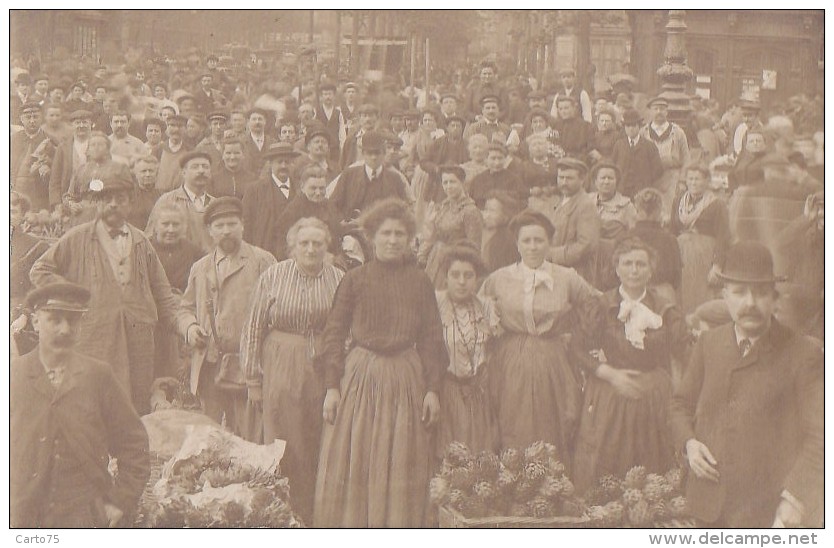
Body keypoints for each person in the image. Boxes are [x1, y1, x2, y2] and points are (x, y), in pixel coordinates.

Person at [670, 241, 823, 527]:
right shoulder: (709, 343)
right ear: (724, 296)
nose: (750, 302)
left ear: (774, 299)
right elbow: (680, 405)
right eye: (739, 293)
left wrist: (795, 499)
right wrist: (689, 443)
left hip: (768, 513)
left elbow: (823, 435)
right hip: (708, 507)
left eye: (761, 293)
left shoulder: (804, 353)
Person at [314, 199, 447, 527]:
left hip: (406, 377)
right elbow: (333, 334)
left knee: (401, 458)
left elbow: (432, 337)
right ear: (371, 238)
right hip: (361, 377)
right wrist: (332, 386)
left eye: (400, 234)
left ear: (409, 238)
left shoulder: (419, 281)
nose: (392, 240)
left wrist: (432, 390)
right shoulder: (355, 279)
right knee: (356, 456)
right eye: (386, 233)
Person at [30, 172, 179, 415]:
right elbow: (40, 270)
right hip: (94, 336)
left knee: (136, 404)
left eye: (120, 199)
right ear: (96, 203)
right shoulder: (76, 238)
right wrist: (71, 296)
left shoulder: (142, 242)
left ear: (130, 203)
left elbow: (163, 293)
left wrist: (181, 326)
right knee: (92, 399)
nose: (112, 205)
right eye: (105, 199)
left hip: (138, 339)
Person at [10, 282, 150, 528]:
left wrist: (119, 501)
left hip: (82, 516)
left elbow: (133, 444)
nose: (65, 329)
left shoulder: (98, 376)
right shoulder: (13, 375)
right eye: (55, 319)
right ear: (34, 322)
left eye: (73, 320)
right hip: (21, 515)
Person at [240, 217, 344, 525]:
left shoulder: (339, 278)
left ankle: (317, 514)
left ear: (327, 247)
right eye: (305, 244)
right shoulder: (274, 276)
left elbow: (347, 328)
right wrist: (252, 378)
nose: (311, 249)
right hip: (282, 361)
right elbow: (254, 326)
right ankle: (282, 513)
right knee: (284, 438)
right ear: (293, 247)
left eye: (318, 244)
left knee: (319, 436)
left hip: (324, 364)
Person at [480, 209, 598, 467]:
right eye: (526, 241)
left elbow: (595, 305)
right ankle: (513, 477)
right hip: (511, 359)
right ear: (517, 244)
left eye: (539, 240)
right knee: (512, 418)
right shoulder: (499, 279)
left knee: (555, 419)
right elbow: (480, 314)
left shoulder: (566, 277)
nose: (533, 247)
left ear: (549, 243)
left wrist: (577, 337)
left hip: (552, 358)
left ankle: (550, 482)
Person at [573, 238, 689, 494]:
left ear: (651, 270)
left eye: (640, 264)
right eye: (627, 264)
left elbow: (685, 350)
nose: (634, 270)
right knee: (608, 467)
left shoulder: (665, 308)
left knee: (651, 475)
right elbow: (577, 350)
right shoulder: (600, 305)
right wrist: (610, 374)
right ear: (616, 268)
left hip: (652, 395)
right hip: (609, 394)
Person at [178, 197, 275, 438]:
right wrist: (190, 328)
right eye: (219, 226)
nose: (226, 231)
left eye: (231, 224)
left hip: (248, 364)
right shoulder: (200, 267)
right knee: (209, 435)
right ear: (210, 231)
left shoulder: (263, 261)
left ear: (242, 225)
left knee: (248, 432)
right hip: (210, 363)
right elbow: (184, 308)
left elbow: (277, 309)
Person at [434, 243, 500, 458]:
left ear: (477, 278)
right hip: (446, 391)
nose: (462, 281)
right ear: (446, 277)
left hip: (478, 394)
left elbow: (495, 349)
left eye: (468, 275)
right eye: (455, 275)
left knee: (479, 456)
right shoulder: (435, 303)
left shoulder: (487, 306)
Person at [670, 163, 731, 314]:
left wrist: (717, 266)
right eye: (690, 179)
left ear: (707, 181)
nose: (693, 183)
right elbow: (672, 230)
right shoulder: (678, 201)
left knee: (701, 294)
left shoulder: (716, 204)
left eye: (697, 179)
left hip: (704, 256)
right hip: (681, 254)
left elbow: (723, 236)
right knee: (680, 294)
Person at [417, 165, 483, 287]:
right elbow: (434, 235)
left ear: (462, 183)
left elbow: (474, 248)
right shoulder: (444, 206)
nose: (448, 187)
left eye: (452, 182)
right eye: (445, 182)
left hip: (456, 265)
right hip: (436, 259)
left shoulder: (470, 211)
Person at [329, 131, 410, 222]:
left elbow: (404, 210)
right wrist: (343, 222)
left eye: (377, 153)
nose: (373, 157)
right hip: (353, 231)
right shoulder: (349, 175)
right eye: (369, 153)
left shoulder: (395, 179)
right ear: (363, 154)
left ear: (383, 153)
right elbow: (333, 205)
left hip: (383, 232)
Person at [148, 150, 216, 253]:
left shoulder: (215, 205)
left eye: (205, 167)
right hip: (178, 263)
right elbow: (150, 237)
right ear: (184, 173)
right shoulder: (167, 201)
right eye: (195, 167)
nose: (201, 171)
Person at [548, 157, 601, 285]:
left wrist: (552, 255)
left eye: (569, 178)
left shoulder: (585, 205)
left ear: (582, 180)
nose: (564, 182)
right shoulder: (559, 201)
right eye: (561, 177)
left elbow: (586, 245)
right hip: (557, 271)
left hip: (578, 275)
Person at [624, 188, 682, 304]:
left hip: (632, 292)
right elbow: (676, 277)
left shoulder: (626, 238)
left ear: (637, 210)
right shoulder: (670, 240)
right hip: (662, 295)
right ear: (658, 211)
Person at [242, 141, 300, 255]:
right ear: (270, 164)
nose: (283, 166)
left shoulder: (300, 189)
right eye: (279, 162)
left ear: (292, 163)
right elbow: (246, 225)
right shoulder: (255, 190)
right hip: (265, 251)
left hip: (296, 252)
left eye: (287, 162)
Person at [273, 165, 342, 261]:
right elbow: (281, 244)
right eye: (313, 188)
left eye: (321, 188)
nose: (318, 193)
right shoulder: (293, 210)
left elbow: (337, 234)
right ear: (302, 187)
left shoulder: (329, 206)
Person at [640, 97, 690, 223]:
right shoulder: (643, 132)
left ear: (667, 112)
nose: (659, 112)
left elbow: (686, 159)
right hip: (649, 178)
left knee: (670, 213)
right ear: (650, 112)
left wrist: (683, 181)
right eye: (655, 109)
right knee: (650, 212)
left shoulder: (678, 133)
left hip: (672, 178)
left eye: (662, 109)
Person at [589, 162, 637, 290]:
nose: (606, 182)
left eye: (610, 178)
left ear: (617, 182)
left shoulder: (626, 206)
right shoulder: (586, 202)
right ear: (595, 181)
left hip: (611, 261)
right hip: (588, 260)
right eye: (602, 178)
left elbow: (633, 236)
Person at [610, 108, 664, 199]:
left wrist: (646, 181)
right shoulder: (619, 145)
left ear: (639, 126)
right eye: (628, 126)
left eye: (634, 125)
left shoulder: (649, 146)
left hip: (642, 191)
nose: (631, 129)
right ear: (624, 128)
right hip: (622, 190)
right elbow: (613, 166)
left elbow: (658, 169)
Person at [49, 109, 93, 209]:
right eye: (77, 123)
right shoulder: (63, 147)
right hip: (68, 200)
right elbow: (55, 179)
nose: (81, 126)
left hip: (92, 199)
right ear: (72, 125)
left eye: (85, 122)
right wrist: (56, 204)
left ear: (91, 124)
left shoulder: (98, 144)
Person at [11, 102, 50, 210]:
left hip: (40, 196)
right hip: (15, 193)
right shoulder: (13, 140)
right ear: (21, 119)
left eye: (36, 117)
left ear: (42, 118)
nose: (32, 121)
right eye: (28, 117)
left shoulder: (51, 141)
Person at [469, 142, 526, 208]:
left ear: (505, 159)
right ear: (486, 159)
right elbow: (473, 202)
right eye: (493, 158)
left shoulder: (514, 179)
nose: (497, 163)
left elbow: (522, 201)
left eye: (500, 158)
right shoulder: (478, 180)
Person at [481, 190, 522, 273]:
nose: (487, 215)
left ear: (505, 215)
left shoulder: (508, 240)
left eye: (493, 211)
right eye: (486, 210)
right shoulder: (479, 232)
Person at [156, 114, 191, 192]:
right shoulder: (158, 149)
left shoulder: (190, 151)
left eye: (180, 126)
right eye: (172, 125)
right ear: (167, 129)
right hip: (160, 195)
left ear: (185, 129)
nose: (176, 129)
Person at [552, 96, 594, 161]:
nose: (563, 111)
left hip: (579, 160)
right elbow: (553, 144)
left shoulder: (585, 125)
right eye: (560, 109)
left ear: (574, 108)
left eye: (566, 108)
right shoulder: (555, 126)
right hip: (560, 159)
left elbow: (589, 146)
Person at [242, 108, 276, 175]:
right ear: (248, 122)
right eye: (254, 119)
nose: (257, 122)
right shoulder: (241, 142)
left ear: (265, 121)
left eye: (260, 119)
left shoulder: (273, 142)